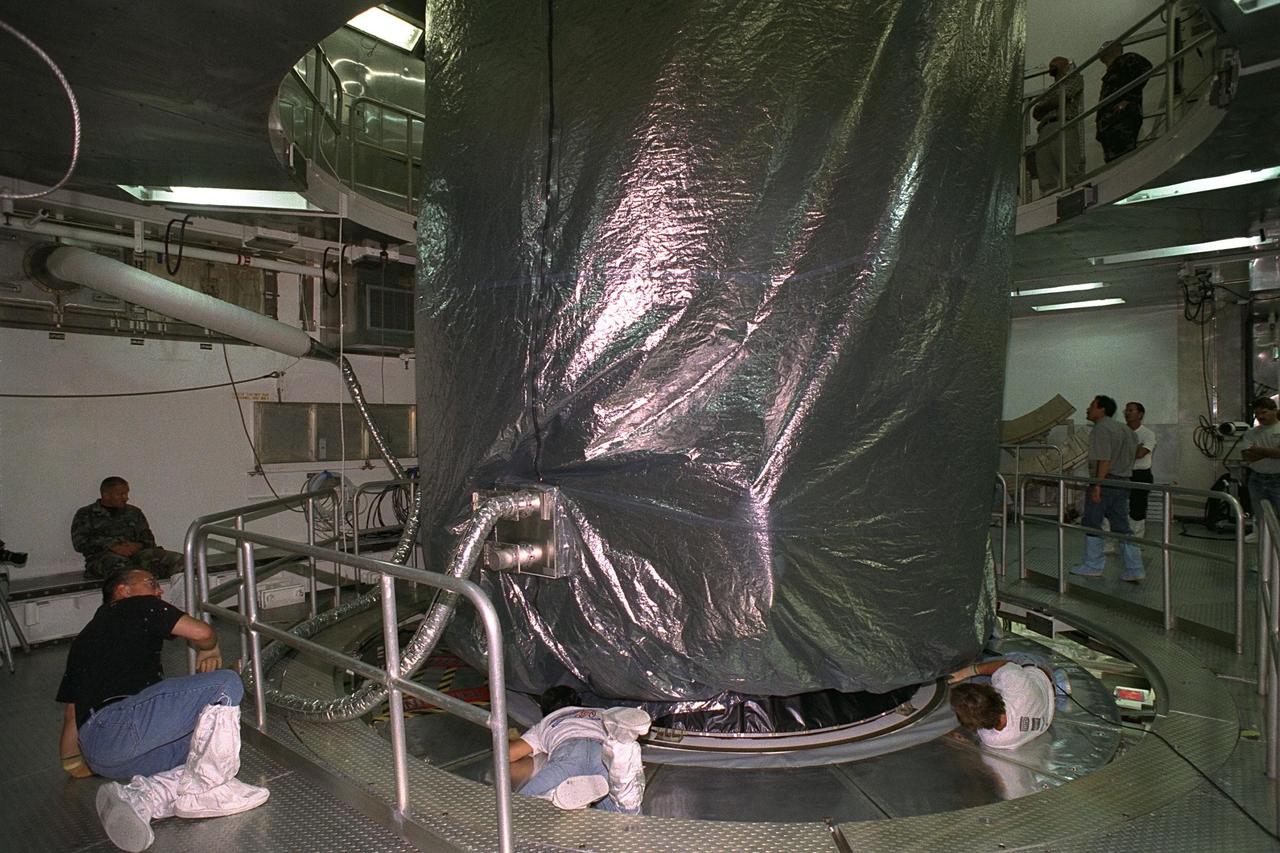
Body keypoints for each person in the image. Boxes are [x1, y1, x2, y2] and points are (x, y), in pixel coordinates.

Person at [57, 567, 268, 852]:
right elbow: (202, 631)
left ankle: (141, 799)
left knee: (199, 743)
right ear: (123, 591)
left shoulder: (82, 641)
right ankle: (210, 790)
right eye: (152, 583)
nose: (159, 591)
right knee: (225, 683)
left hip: (104, 753)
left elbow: (72, 712)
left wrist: (77, 765)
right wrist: (209, 648)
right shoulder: (135, 605)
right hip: (122, 724)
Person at [508, 686, 652, 814]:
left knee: (520, 807)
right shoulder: (600, 712)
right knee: (626, 818)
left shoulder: (547, 722)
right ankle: (623, 776)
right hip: (602, 753)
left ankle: (553, 796)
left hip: (568, 751)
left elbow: (509, 754)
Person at [1070, 395, 1145, 581]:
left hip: (1105, 482)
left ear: (1102, 409)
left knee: (1092, 522)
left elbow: (1104, 459)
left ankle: (1093, 565)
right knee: (1122, 526)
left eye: (1091, 406)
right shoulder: (1126, 430)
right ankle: (1135, 568)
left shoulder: (1101, 428)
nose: (1088, 409)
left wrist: (1097, 486)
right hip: (1123, 482)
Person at [71, 477, 183, 580]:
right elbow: (80, 543)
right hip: (103, 558)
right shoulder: (86, 514)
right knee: (123, 569)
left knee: (180, 560)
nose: (126, 498)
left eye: (126, 493)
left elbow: (148, 540)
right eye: (120, 494)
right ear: (106, 495)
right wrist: (112, 546)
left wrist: (136, 546)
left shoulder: (134, 512)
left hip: (138, 555)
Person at [948, 657, 1057, 749]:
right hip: (1043, 678)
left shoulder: (991, 740)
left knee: (988, 665)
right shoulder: (1016, 687)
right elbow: (1004, 665)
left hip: (1044, 714)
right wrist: (968, 671)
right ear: (991, 691)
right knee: (994, 663)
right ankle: (1058, 678)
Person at [1031, 56, 1084, 194]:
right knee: (1046, 172)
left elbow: (1065, 95)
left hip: (1063, 124)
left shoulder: (1074, 78)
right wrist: (1051, 102)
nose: (1051, 65)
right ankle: (1049, 201)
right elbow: (1036, 112)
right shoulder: (1049, 89)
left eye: (1055, 63)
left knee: (1069, 168)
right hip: (1044, 129)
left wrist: (1046, 105)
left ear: (1065, 65)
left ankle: (1074, 194)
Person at [1096, 40, 1153, 162]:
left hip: (1121, 120)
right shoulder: (1111, 71)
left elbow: (1146, 68)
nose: (1101, 50)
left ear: (1116, 48)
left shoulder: (1127, 60)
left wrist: (1129, 99)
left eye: (1105, 46)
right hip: (1109, 125)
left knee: (1123, 159)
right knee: (1113, 162)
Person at [1243, 397, 1280, 522]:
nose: (1260, 416)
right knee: (1259, 513)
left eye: (1264, 412)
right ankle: (1260, 536)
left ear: (1274, 411)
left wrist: (1257, 449)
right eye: (1257, 413)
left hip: (1278, 478)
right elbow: (1247, 456)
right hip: (1256, 478)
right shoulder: (1251, 433)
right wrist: (1273, 451)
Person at [1125, 401, 1156, 538]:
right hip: (1122, 473)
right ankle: (1112, 542)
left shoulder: (1148, 434)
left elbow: (1140, 454)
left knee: (1138, 508)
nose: (1127, 413)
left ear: (1140, 414)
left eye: (1131, 410)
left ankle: (1136, 540)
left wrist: (1130, 448)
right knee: (1115, 507)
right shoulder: (1121, 432)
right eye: (1126, 410)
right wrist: (1137, 445)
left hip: (1140, 474)